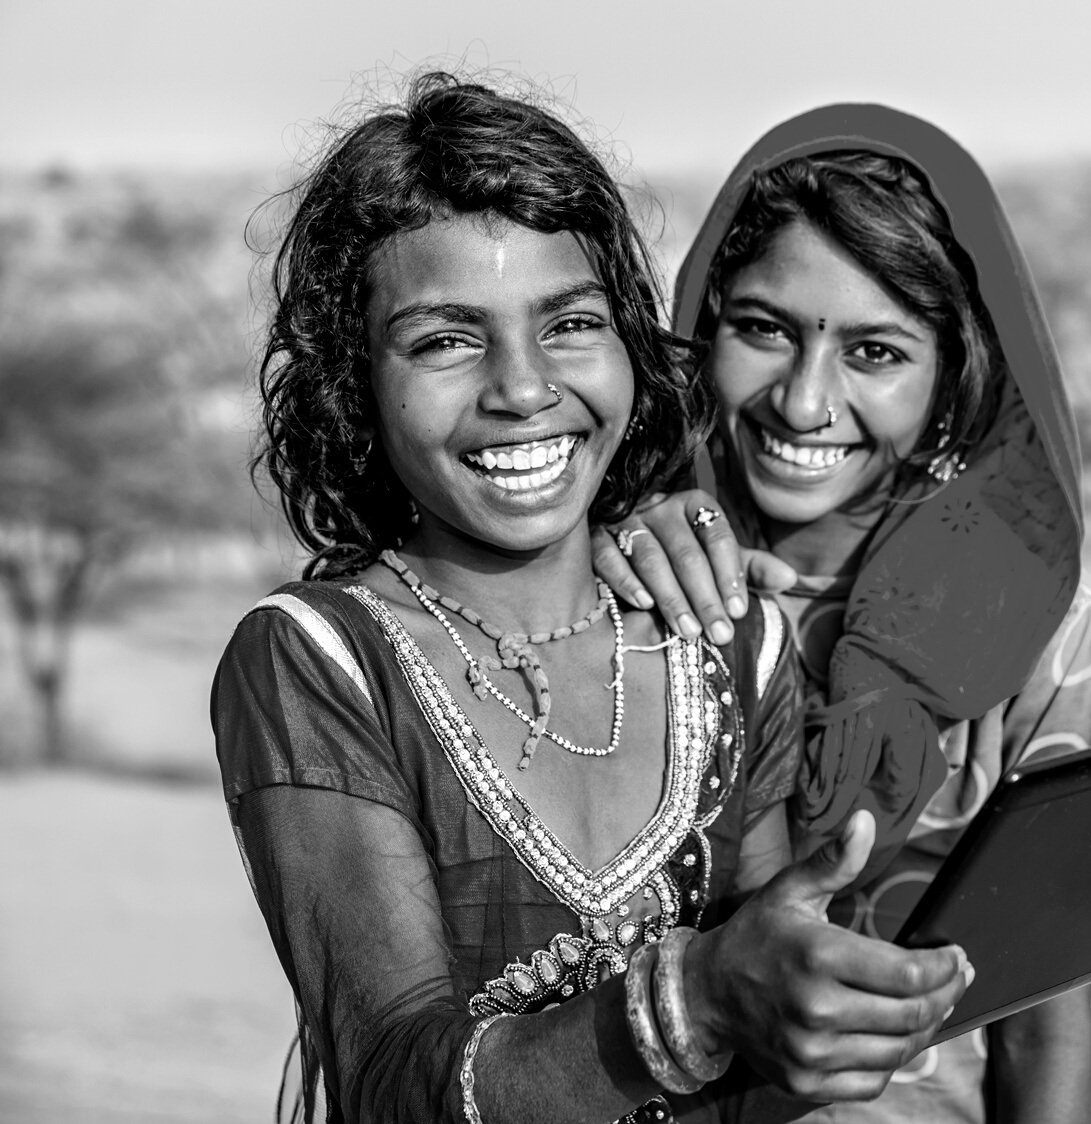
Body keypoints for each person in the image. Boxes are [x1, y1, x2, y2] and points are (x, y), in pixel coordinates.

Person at [211, 77, 972, 1124]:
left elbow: (772, 1029)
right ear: (354, 383)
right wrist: (690, 997)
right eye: (444, 339)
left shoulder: (729, 640)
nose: (523, 387)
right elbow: (392, 1082)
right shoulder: (319, 660)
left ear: (631, 346)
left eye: (570, 322)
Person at [592, 106, 1091, 1124]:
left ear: (951, 377)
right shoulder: (633, 572)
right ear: (700, 325)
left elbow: (1041, 1016)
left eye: (875, 352)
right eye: (762, 329)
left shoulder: (1039, 627)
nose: (804, 402)